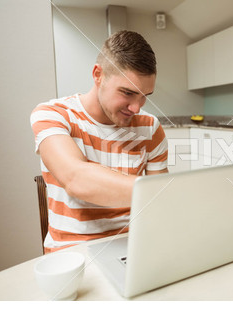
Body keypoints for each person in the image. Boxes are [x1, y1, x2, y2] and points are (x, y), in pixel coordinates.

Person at [30, 31, 168, 254]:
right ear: (98, 75)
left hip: (134, 248)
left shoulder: (150, 128)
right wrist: (164, 191)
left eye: (145, 96)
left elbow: (158, 207)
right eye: (127, 93)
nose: (136, 107)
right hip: (72, 253)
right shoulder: (53, 115)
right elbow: (77, 179)